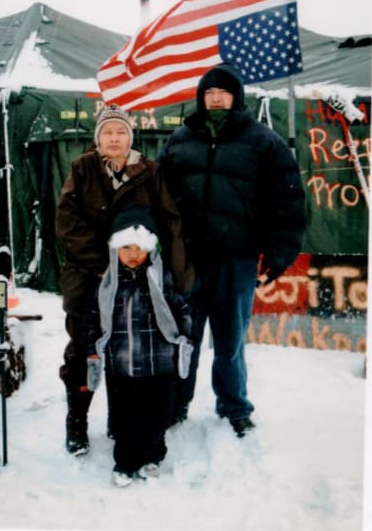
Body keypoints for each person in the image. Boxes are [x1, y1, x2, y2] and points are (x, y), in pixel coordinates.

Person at [157, 61, 306, 438]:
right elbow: (158, 197)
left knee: (230, 339)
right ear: (200, 98)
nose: (216, 98)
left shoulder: (262, 141)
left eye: (223, 92)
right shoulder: (180, 139)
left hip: (236, 259)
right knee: (182, 338)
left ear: (236, 98)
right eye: (209, 93)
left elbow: (287, 200)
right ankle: (176, 403)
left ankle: (234, 406)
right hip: (187, 259)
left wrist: (278, 253)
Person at [55, 104, 192, 456]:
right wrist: (103, 261)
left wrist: (176, 273)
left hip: (138, 275)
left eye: (120, 133)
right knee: (84, 352)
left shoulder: (149, 171)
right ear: (97, 138)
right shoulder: (82, 168)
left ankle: (125, 423)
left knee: (132, 352)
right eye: (107, 133)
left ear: (130, 136)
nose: (113, 138)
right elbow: (67, 221)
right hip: (90, 274)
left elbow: (171, 220)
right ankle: (77, 421)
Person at [83, 205, 193, 487]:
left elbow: (182, 309)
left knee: (157, 414)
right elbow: (93, 317)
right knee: (124, 417)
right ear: (115, 250)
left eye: (139, 248)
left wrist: (184, 337)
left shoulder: (160, 280)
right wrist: (92, 346)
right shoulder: (108, 286)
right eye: (126, 248)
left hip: (160, 363)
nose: (133, 254)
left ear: (150, 250)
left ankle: (152, 457)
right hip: (122, 365)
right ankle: (125, 461)